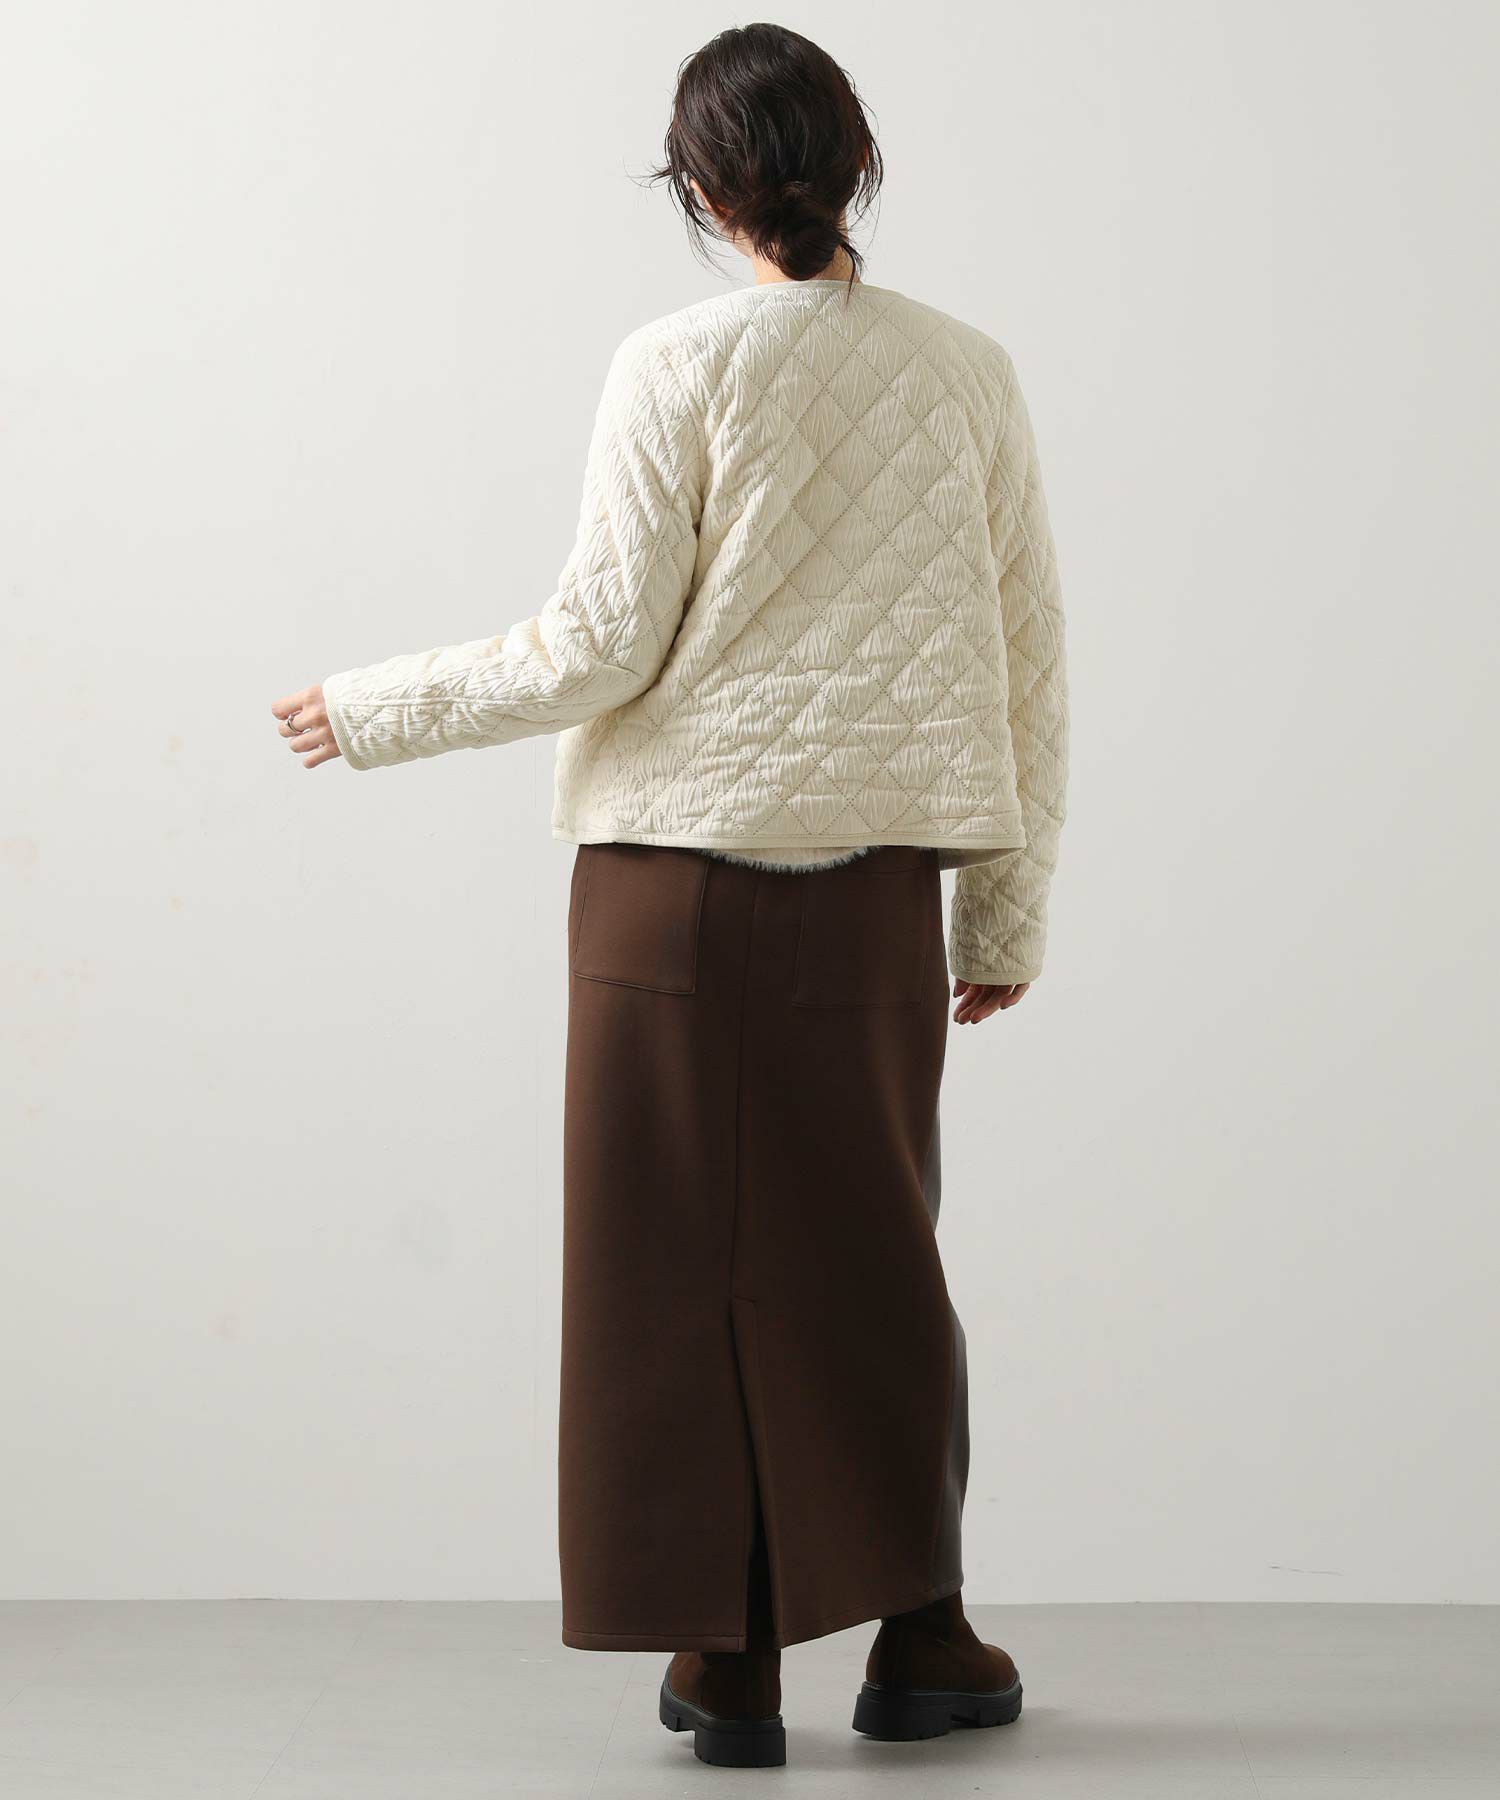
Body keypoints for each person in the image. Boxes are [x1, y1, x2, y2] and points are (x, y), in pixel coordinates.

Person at [271, 22, 1067, 1772]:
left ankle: (727, 1659)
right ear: (859, 166)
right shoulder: (968, 374)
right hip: (874, 888)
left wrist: (377, 706)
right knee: (878, 1254)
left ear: (701, 188)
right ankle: (924, 1636)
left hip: (667, 896)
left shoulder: (674, 362)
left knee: (667, 1267)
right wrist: (1002, 917)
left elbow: (602, 642)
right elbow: (1027, 660)